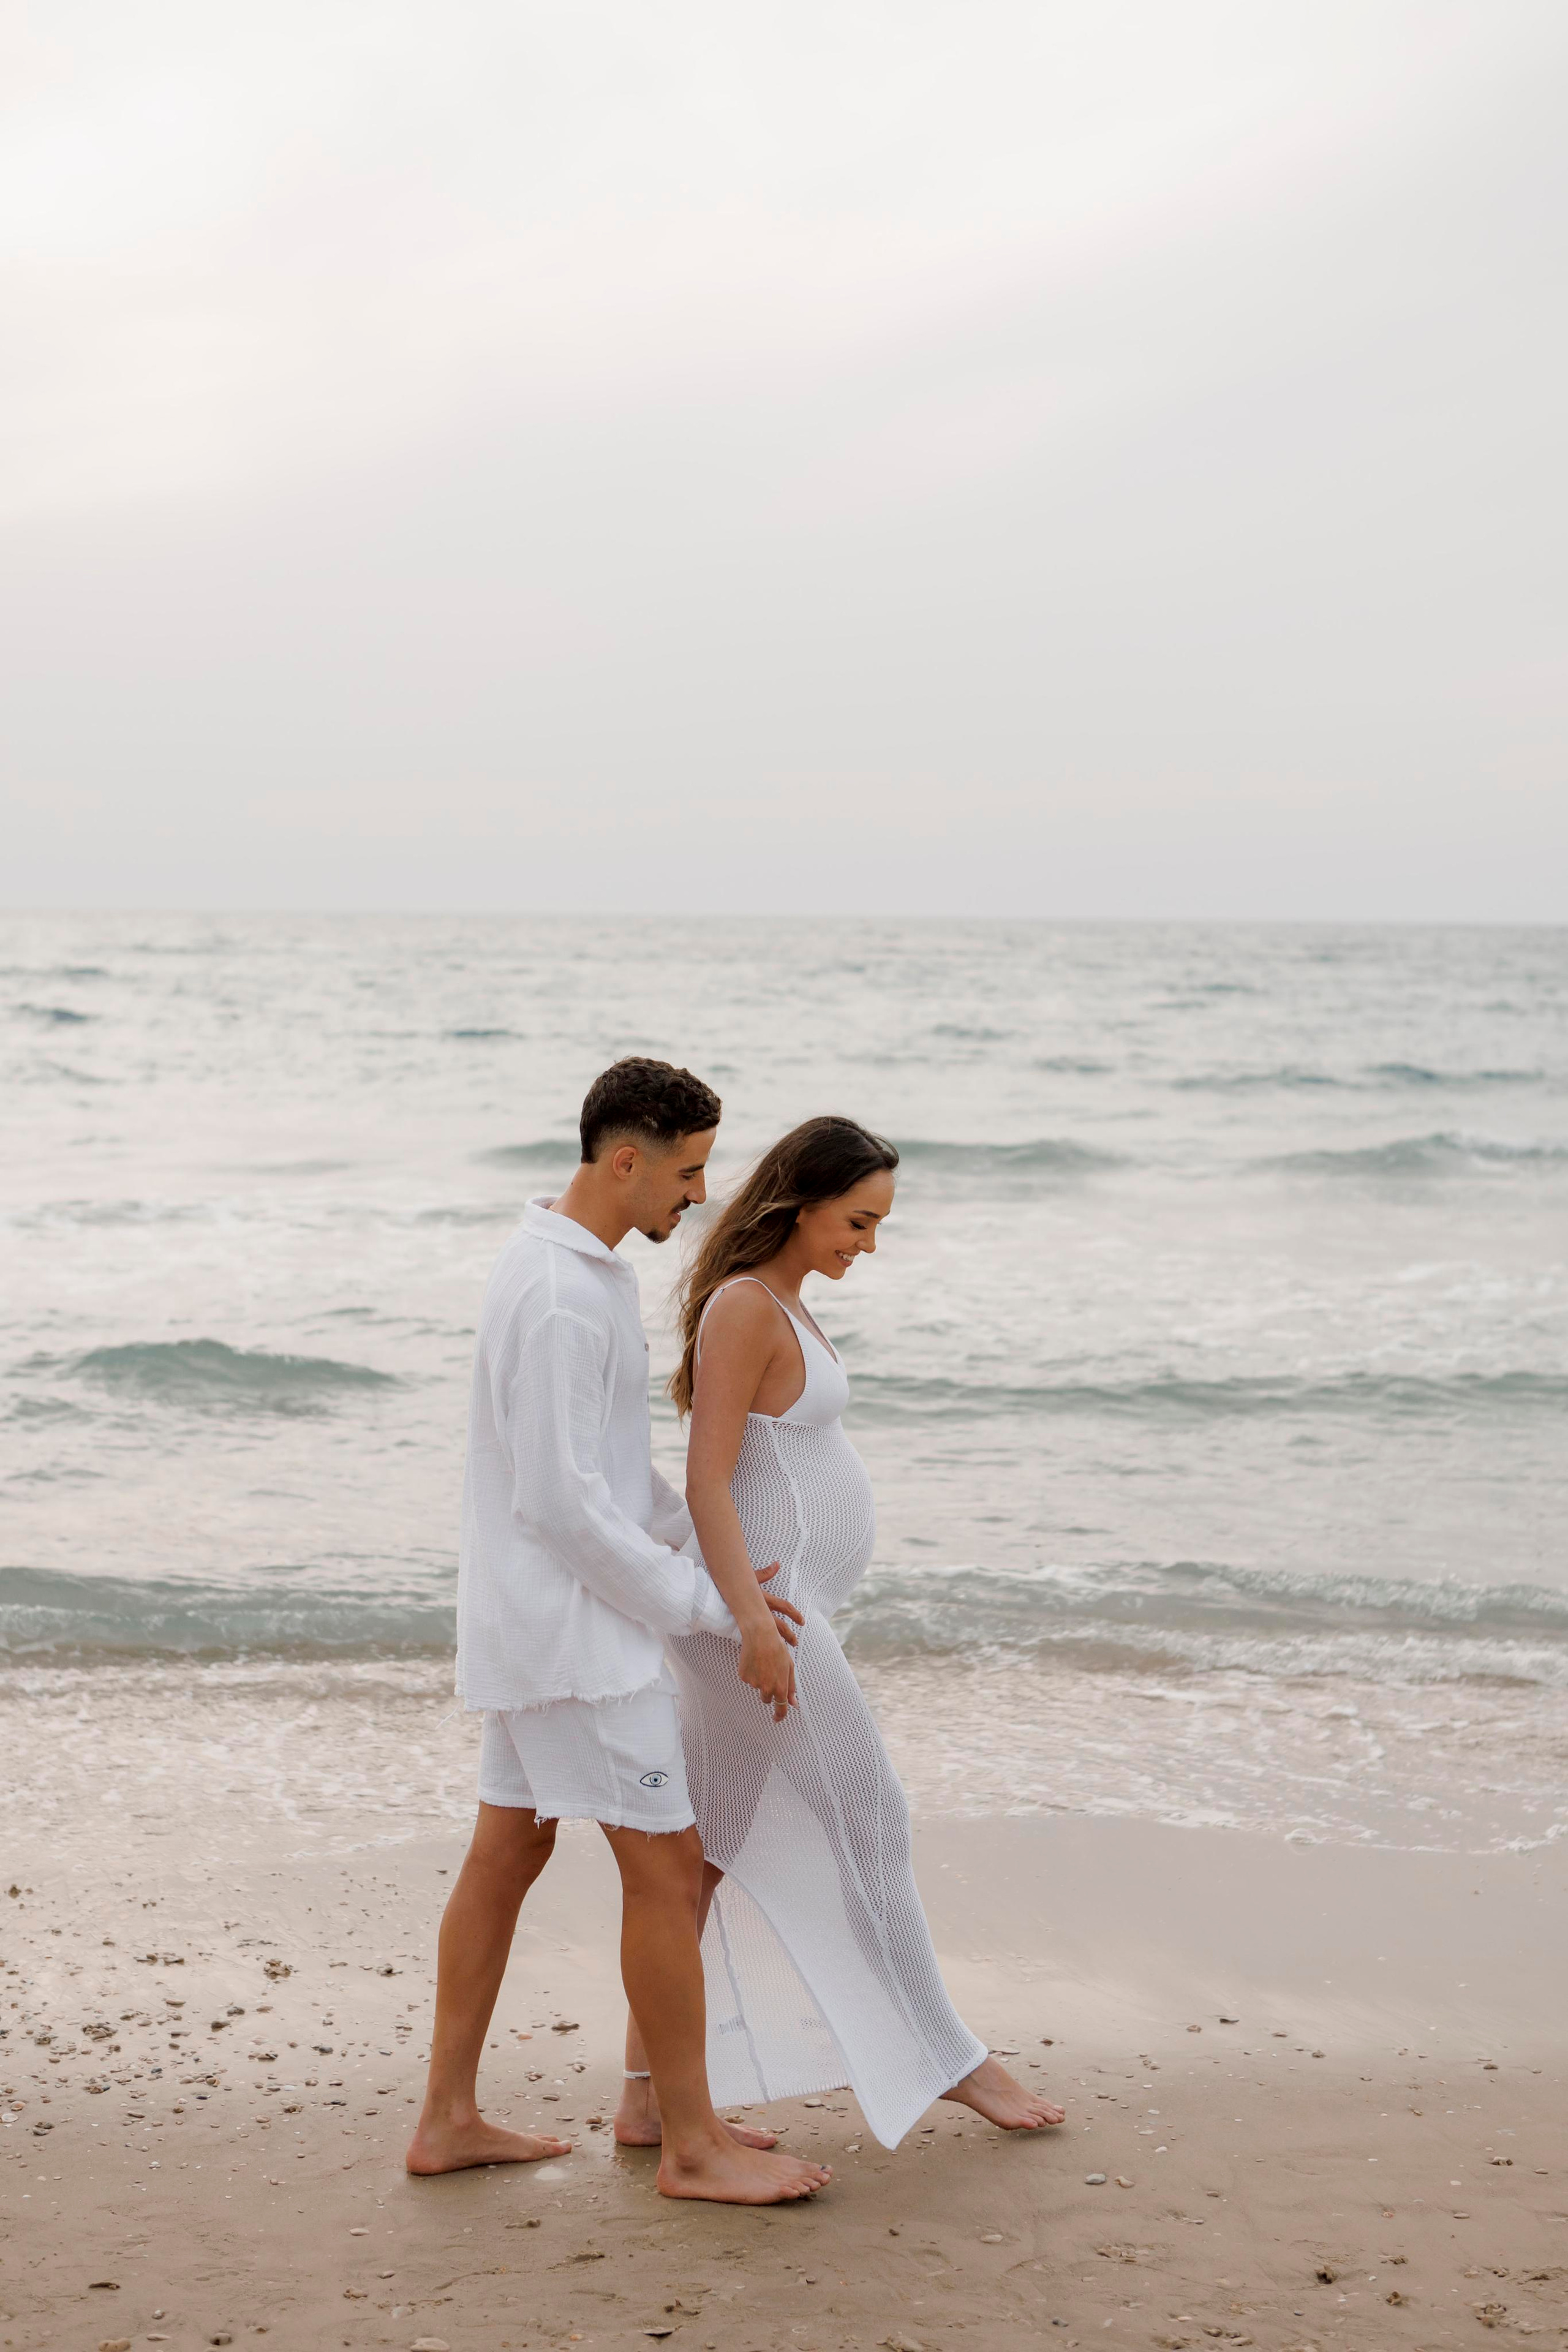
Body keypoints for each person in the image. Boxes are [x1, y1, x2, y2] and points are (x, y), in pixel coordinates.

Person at [406, 1058, 830, 2204]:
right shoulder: (552, 1293)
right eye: (687, 1174)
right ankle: (688, 2143)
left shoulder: (586, 1272)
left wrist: (718, 1559)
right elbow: (557, 1501)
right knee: (667, 1863)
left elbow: (608, 1471)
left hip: (552, 1630)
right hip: (572, 1646)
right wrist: (704, 1606)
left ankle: (446, 2118)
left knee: (510, 1850)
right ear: (625, 1159)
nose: (698, 1197)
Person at [614, 1115, 1065, 2153]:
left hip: (771, 1608)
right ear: (801, 1200)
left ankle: (645, 2096)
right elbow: (707, 1477)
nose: (868, 1244)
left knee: (701, 1861)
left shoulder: (784, 1304)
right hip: (763, 1616)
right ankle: (950, 2057)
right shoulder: (741, 1307)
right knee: (874, 1818)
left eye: (879, 1228)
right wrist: (752, 1625)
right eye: (858, 1221)